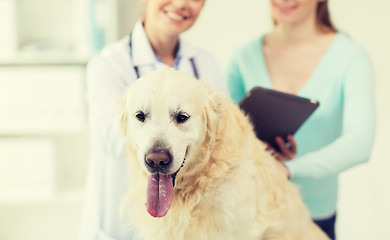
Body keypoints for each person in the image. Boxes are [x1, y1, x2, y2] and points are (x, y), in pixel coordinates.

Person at [226, 0, 376, 239]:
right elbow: (226, 141)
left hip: (313, 219)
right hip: (249, 217)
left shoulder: (350, 58)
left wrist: (288, 169)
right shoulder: (242, 58)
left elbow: (360, 143)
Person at [79, 0, 226, 239]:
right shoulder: (107, 64)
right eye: (141, 116)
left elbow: (221, 133)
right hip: (124, 225)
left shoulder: (205, 63)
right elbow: (112, 139)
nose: (180, 4)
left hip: (193, 222)